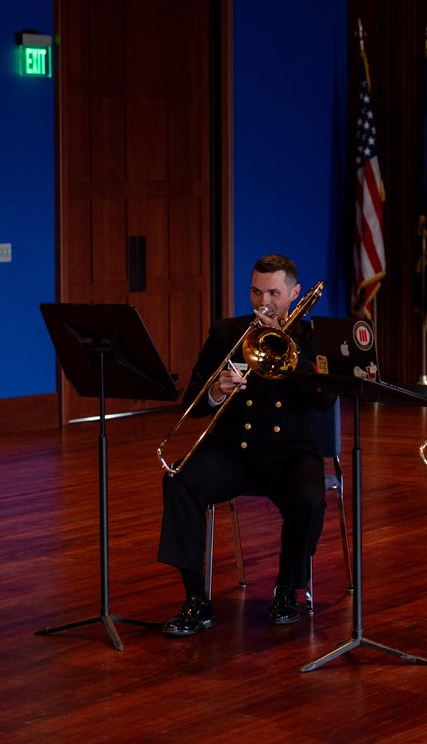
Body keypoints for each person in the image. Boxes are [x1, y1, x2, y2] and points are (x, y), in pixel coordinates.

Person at [158, 254, 335, 635]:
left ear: (294, 293)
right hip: (234, 450)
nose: (263, 302)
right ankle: (195, 600)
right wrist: (216, 393)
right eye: (256, 292)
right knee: (179, 481)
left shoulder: (313, 338)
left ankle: (287, 589)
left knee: (309, 499)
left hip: (291, 452)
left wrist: (292, 352)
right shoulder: (227, 332)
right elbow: (192, 404)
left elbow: (325, 400)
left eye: (273, 292)